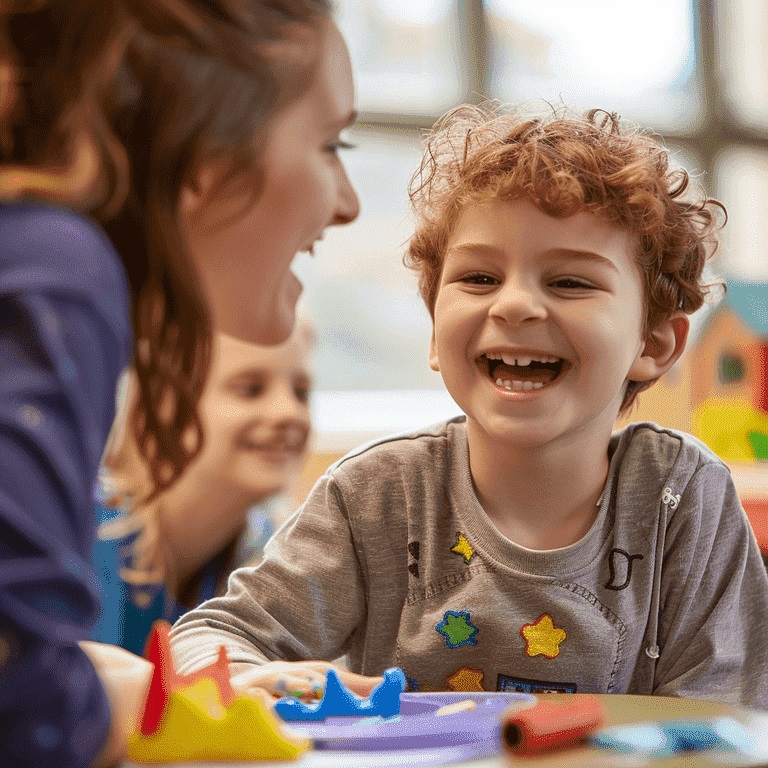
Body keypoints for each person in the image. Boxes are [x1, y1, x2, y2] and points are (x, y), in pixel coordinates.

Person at [170, 103, 768, 709]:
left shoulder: (682, 498)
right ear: (434, 332)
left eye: (569, 282)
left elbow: (726, 723)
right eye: (479, 278)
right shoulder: (377, 495)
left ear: (654, 342)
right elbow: (208, 639)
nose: (513, 306)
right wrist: (253, 677)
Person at [0, 2, 363, 766]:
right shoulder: (59, 270)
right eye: (330, 145)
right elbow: (21, 694)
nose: (348, 201)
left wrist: (153, 692)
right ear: (212, 166)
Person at [92, 322, 314, 657]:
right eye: (250, 388)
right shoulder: (85, 534)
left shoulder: (265, 549)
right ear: (163, 404)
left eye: (301, 392)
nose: (289, 411)